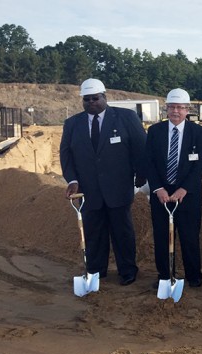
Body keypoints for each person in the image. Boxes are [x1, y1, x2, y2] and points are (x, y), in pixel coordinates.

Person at [60, 78, 147, 286]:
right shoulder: (72, 124)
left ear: (104, 97)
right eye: (87, 99)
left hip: (119, 188)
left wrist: (141, 174)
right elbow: (66, 155)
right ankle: (96, 271)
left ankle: (127, 270)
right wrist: (72, 180)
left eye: (95, 98)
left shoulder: (126, 118)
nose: (91, 102)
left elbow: (140, 148)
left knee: (122, 232)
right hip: (88, 191)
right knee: (93, 233)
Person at [145, 88, 202, 288]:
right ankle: (165, 275)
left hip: (188, 195)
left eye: (180, 108)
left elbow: (200, 164)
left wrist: (184, 189)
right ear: (166, 109)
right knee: (162, 236)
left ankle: (193, 276)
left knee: (189, 236)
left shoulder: (198, 132)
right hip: (162, 195)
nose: (176, 112)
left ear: (187, 110)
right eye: (172, 107)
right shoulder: (155, 131)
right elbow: (149, 163)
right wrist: (158, 189)